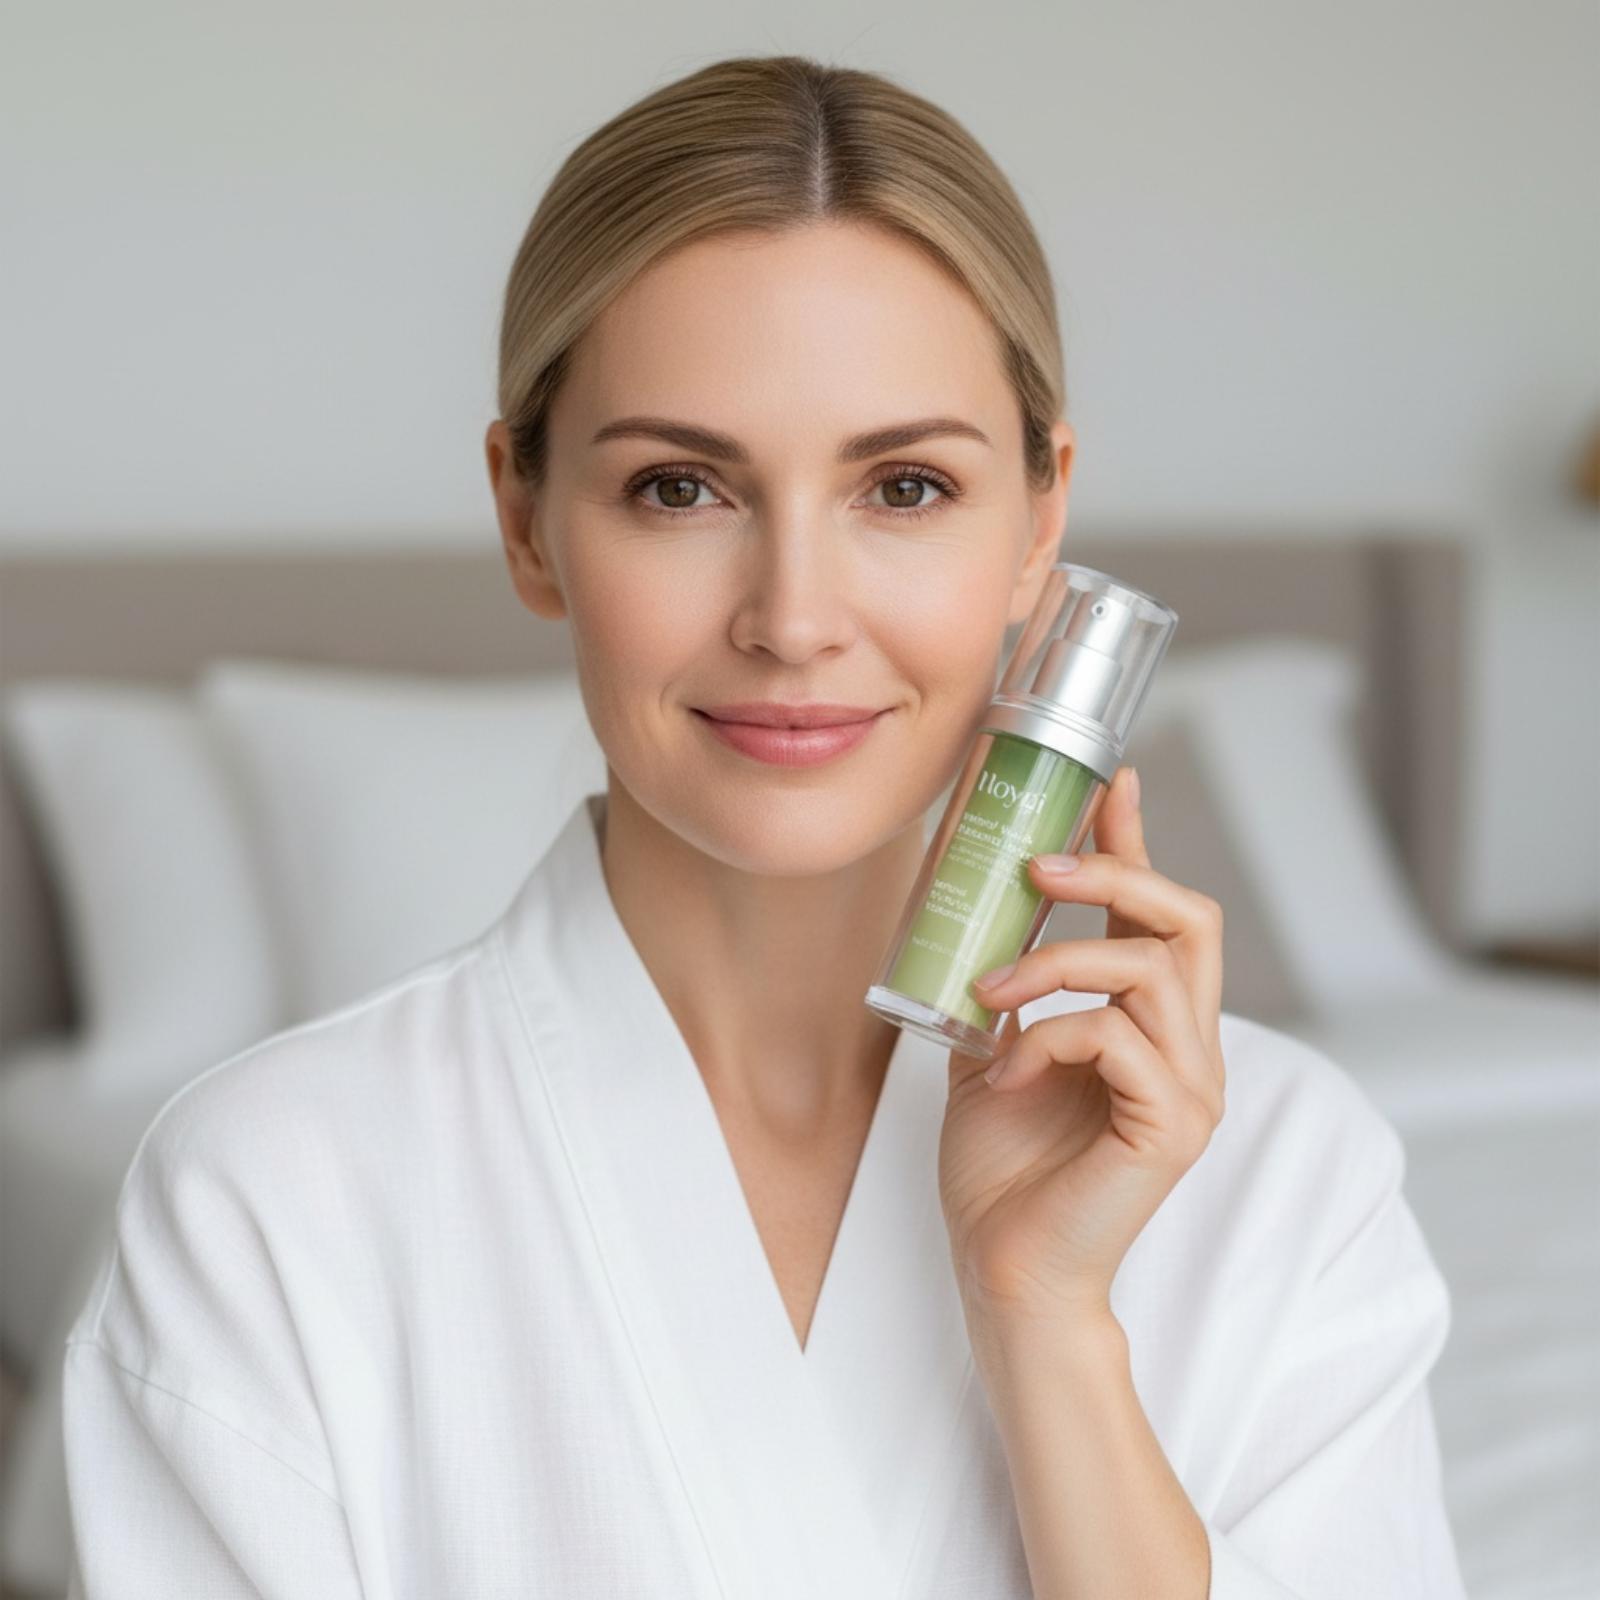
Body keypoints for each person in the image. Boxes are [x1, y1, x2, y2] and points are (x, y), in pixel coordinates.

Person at [61, 54, 1467, 1598]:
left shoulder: (1286, 1172)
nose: (794, 620)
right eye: (680, 489)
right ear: (525, 518)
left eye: (906, 488)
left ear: (1041, 518)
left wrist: (1046, 1322)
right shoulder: (273, 1191)